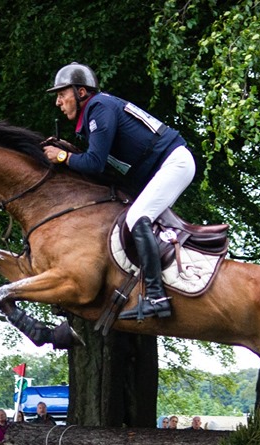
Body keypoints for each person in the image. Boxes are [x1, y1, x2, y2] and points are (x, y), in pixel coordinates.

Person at [43, 62, 195, 321]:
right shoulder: (97, 109)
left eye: (62, 94)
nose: (58, 102)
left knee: (137, 218)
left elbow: (94, 163)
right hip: (160, 167)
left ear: (81, 92)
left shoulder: (98, 108)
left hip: (173, 163)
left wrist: (61, 156)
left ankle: (157, 297)